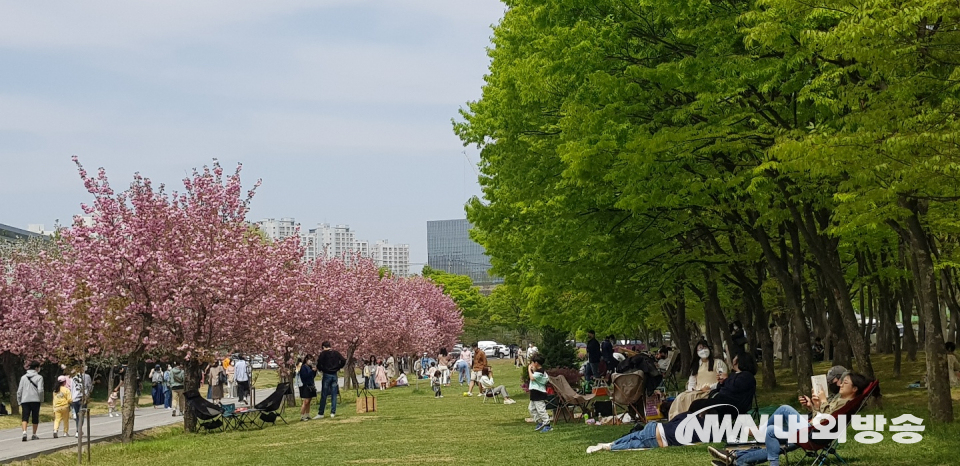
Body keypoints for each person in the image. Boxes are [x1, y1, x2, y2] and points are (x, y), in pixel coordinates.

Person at [709, 372, 873, 466]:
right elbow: (822, 416)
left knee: (783, 412)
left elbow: (827, 420)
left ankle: (741, 452)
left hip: (814, 434)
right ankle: (737, 459)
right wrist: (812, 406)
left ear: (855, 388)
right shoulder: (841, 400)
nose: (840, 385)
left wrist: (822, 401)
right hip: (813, 429)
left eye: (845, 383)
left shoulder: (846, 404)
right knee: (775, 442)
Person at [586, 412, 709, 453]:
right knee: (632, 444)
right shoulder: (705, 433)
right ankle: (609, 446)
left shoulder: (689, 416)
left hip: (655, 429)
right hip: (657, 442)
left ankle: (609, 444)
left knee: (634, 436)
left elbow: (673, 420)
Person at [668, 340, 727, 419]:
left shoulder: (718, 363)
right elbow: (691, 382)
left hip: (711, 391)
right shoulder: (696, 366)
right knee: (681, 397)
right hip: (697, 391)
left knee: (694, 399)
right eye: (700, 348)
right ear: (697, 352)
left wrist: (710, 387)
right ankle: (677, 419)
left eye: (705, 347)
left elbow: (722, 379)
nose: (703, 350)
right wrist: (692, 389)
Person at [686, 352, 758, 416]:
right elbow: (724, 386)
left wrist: (726, 379)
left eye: (735, 357)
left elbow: (734, 387)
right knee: (697, 404)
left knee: (697, 405)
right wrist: (721, 382)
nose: (733, 359)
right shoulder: (734, 374)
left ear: (739, 361)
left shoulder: (747, 376)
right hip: (724, 400)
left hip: (733, 404)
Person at [314, 341, 346, 419]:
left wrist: (322, 369)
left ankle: (321, 413)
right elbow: (343, 360)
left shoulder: (323, 354)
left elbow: (319, 363)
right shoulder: (336, 353)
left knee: (324, 394)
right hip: (334, 374)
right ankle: (333, 412)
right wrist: (338, 367)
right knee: (334, 394)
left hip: (327, 374)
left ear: (324, 347)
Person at [18, 361, 43, 442]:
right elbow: (40, 390)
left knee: (25, 416)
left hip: (24, 400)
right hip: (35, 400)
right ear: (36, 368)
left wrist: (19, 400)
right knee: (35, 416)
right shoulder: (39, 377)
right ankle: (34, 434)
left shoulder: (23, 377)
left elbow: (19, 391)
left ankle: (24, 432)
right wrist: (41, 399)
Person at [528, 355, 551, 433]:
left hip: (539, 393)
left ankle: (547, 425)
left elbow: (532, 378)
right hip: (534, 392)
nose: (531, 364)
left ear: (536, 363)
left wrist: (529, 370)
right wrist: (533, 370)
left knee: (541, 410)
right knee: (531, 409)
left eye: (532, 363)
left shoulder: (540, 372)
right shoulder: (538, 371)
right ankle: (540, 422)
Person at [71, 366, 93, 437]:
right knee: (81, 415)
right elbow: (90, 387)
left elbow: (71, 388)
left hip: (74, 398)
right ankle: (78, 430)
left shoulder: (73, 377)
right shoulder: (87, 376)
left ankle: (78, 430)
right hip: (83, 398)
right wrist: (88, 395)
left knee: (78, 416)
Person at [298, 354, 317, 421]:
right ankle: (302, 416)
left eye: (312, 360)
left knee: (309, 401)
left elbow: (312, 376)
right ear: (306, 360)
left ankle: (307, 414)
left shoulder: (310, 367)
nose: (311, 362)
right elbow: (304, 376)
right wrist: (312, 371)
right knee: (305, 401)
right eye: (310, 360)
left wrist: (314, 371)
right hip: (305, 385)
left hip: (310, 385)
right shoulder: (303, 367)